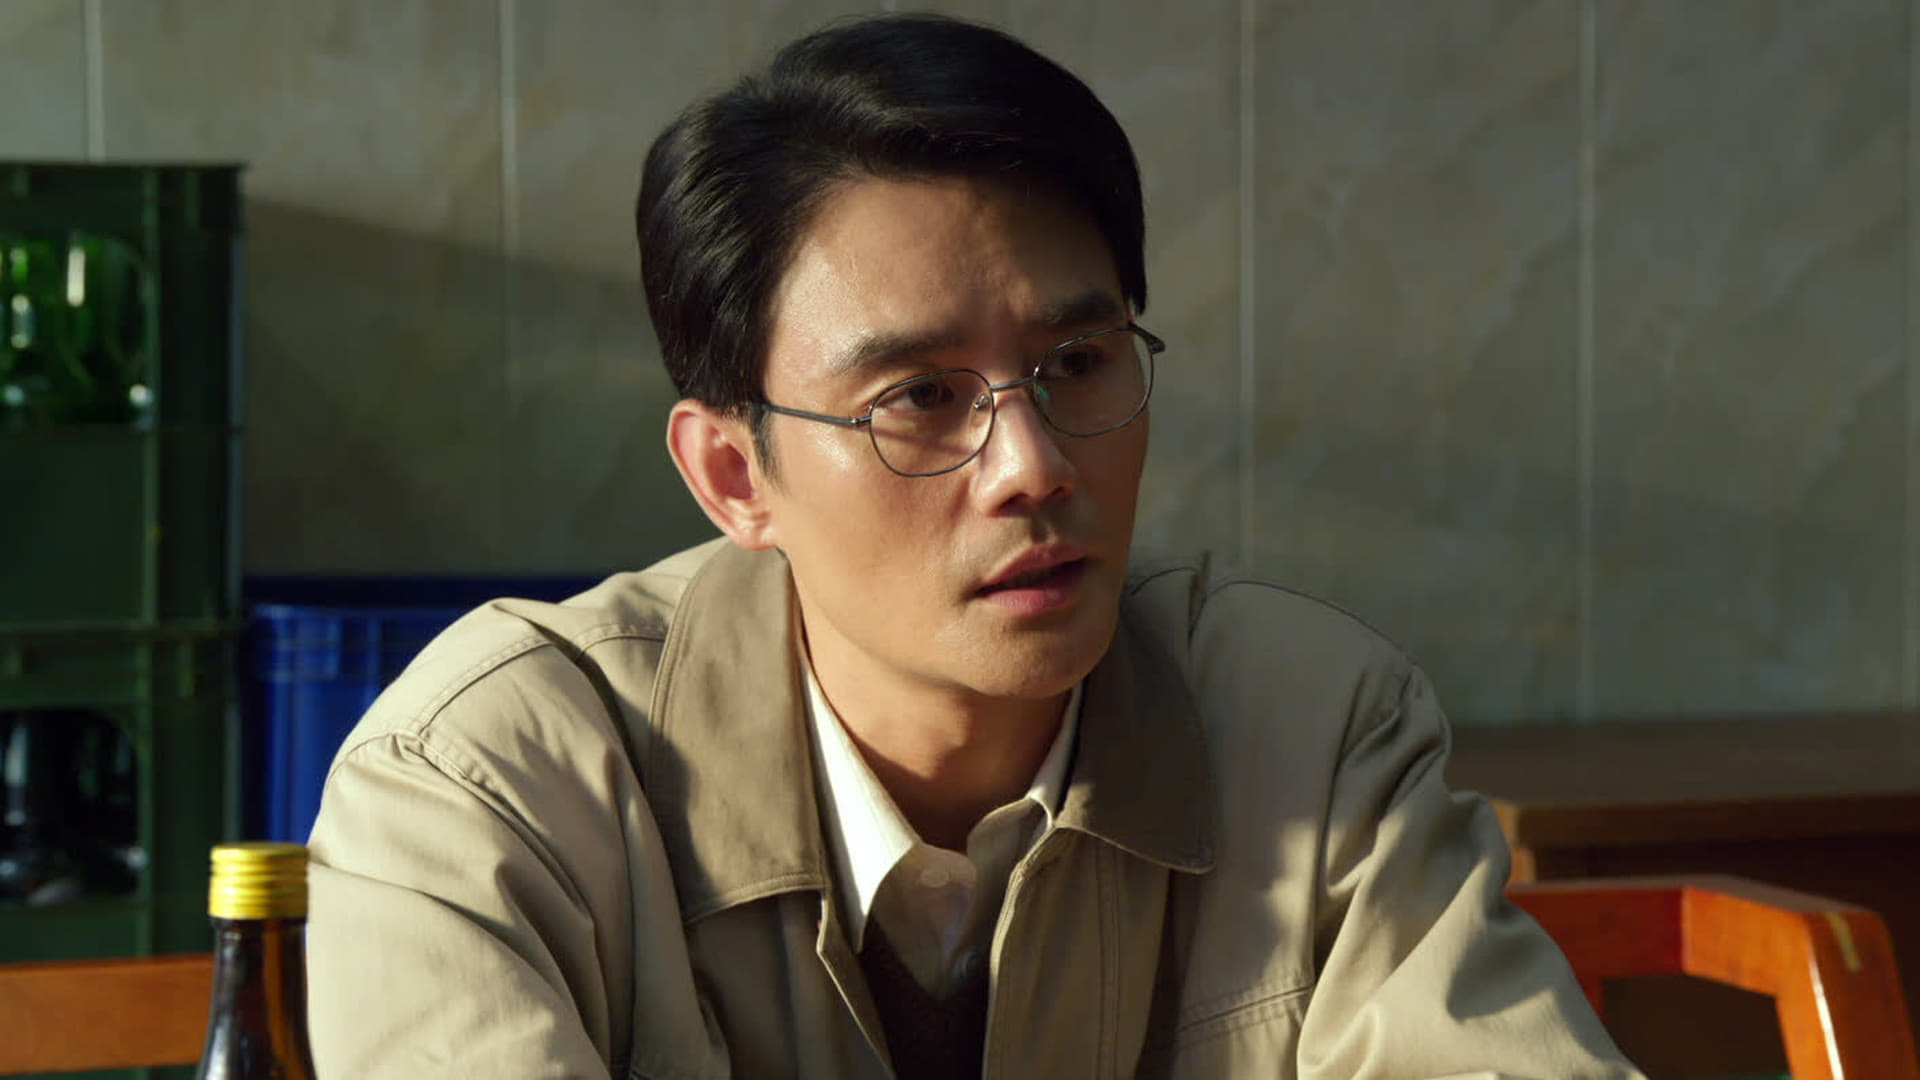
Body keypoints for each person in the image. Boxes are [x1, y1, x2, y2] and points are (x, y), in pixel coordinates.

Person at [306, 14, 1644, 1079]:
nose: (1034, 466)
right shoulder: (487, 785)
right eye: (919, 398)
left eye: (1079, 361)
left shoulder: (1308, 725)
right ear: (735, 476)